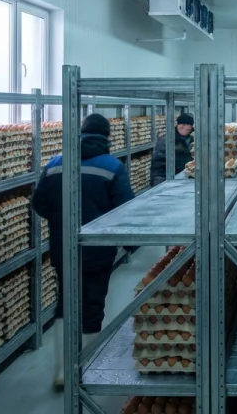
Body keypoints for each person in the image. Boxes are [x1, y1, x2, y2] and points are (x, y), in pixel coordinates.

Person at [31, 113, 135, 388]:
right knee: (91, 305)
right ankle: (85, 369)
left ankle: (63, 371)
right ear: (106, 137)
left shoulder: (55, 163)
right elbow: (126, 210)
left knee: (66, 303)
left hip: (63, 249)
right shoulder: (112, 167)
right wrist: (130, 244)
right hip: (97, 250)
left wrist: (62, 220)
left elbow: (39, 203)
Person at [151, 112, 194, 186]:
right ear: (177, 124)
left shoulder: (192, 139)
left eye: (187, 124)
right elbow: (158, 166)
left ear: (191, 127)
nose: (184, 127)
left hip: (185, 178)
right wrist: (159, 185)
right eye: (181, 124)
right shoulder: (166, 140)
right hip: (168, 180)